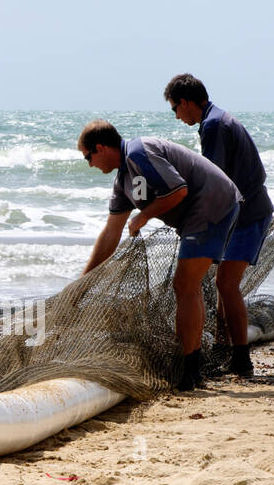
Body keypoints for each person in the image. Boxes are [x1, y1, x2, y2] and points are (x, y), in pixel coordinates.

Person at [77, 119, 242, 390]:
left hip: (212, 202)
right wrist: (84, 282)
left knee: (184, 285)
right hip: (201, 212)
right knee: (188, 287)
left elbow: (177, 190)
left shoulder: (138, 152)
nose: (90, 165)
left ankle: (189, 372)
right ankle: (191, 367)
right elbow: (111, 233)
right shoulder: (123, 179)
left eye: (88, 158)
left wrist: (143, 215)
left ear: (100, 148)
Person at [164, 74, 274, 378]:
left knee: (225, 284)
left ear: (185, 102)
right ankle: (227, 351)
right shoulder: (217, 119)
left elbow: (213, 179)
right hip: (243, 211)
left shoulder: (213, 126)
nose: (176, 115)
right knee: (221, 285)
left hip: (247, 214)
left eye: (175, 108)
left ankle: (241, 359)